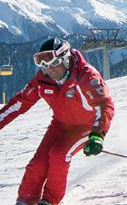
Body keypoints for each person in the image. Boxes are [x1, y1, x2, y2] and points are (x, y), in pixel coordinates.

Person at [0, 37, 115, 205]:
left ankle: (50, 201)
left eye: (54, 65)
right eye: (45, 67)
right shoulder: (42, 79)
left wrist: (97, 135)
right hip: (60, 124)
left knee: (59, 154)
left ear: (66, 60)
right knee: (38, 162)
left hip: (88, 125)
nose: (50, 71)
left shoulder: (86, 76)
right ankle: (25, 201)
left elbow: (104, 105)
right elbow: (19, 103)